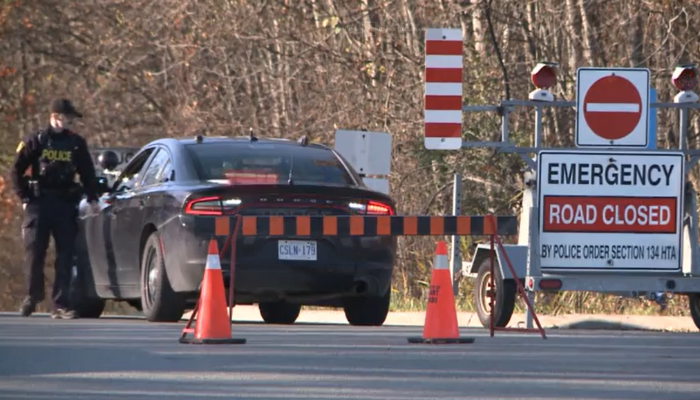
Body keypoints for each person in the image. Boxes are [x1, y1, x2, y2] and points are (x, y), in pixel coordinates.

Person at [10, 98, 101, 319]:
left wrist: (93, 198)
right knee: (34, 252)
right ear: (55, 117)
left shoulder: (76, 143)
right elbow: (15, 171)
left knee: (66, 255)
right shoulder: (36, 141)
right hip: (39, 204)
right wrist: (24, 197)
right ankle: (32, 297)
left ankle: (60, 304)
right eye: (67, 118)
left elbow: (87, 172)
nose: (70, 122)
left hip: (65, 203)